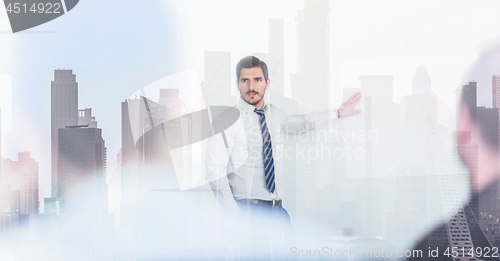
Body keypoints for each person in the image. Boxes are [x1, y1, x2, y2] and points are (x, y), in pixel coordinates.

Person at [205, 55, 362, 260]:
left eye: (257, 80)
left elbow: (305, 123)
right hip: (247, 211)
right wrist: (234, 215)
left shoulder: (275, 115)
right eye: (245, 80)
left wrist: (337, 113)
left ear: (267, 83)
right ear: (237, 84)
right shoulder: (227, 120)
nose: (251, 86)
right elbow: (213, 170)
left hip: (276, 211)